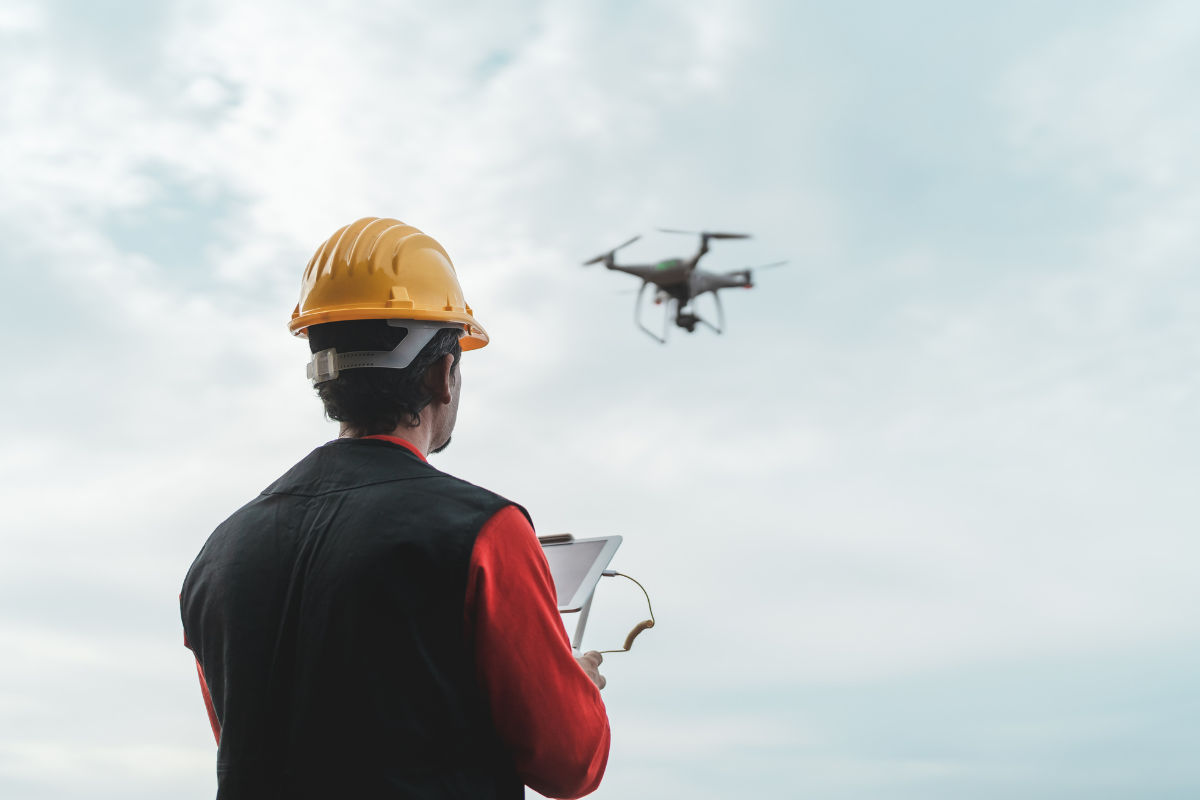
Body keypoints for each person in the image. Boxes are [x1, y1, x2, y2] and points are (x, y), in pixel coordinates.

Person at [180, 217, 610, 799]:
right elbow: (570, 764)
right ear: (442, 373)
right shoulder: (485, 532)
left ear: (324, 375)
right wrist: (575, 686)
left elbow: (251, 741)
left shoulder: (218, 553)